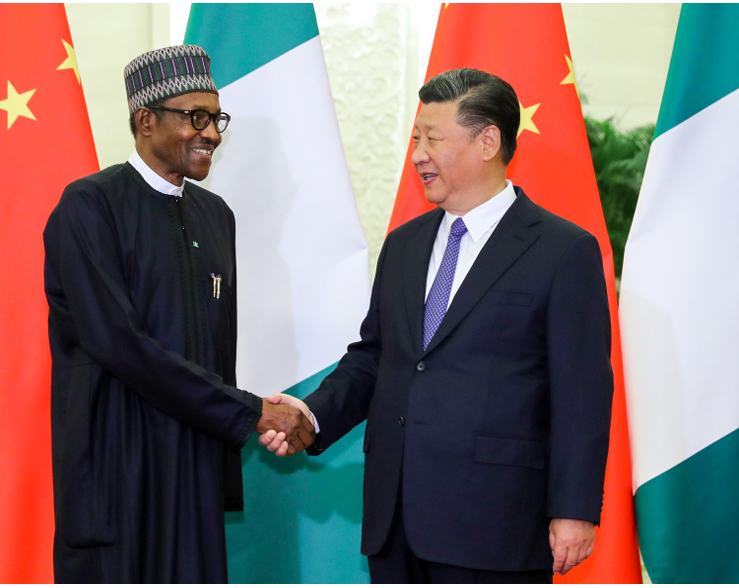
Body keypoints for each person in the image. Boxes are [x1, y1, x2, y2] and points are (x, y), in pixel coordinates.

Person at [261, 68, 613, 583]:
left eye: (433, 138)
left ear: (488, 141)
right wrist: (313, 414)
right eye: (415, 139)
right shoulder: (405, 244)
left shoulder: (562, 251)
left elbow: (581, 392)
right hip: (395, 520)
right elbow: (377, 357)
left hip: (496, 525)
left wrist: (575, 509)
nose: (418, 154)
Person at [44, 45, 314, 583]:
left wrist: (237, 419)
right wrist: (251, 411)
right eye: (196, 117)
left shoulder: (216, 215)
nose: (212, 133)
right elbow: (120, 343)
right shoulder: (89, 206)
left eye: (216, 119)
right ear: (145, 120)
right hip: (117, 471)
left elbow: (217, 350)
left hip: (192, 468)